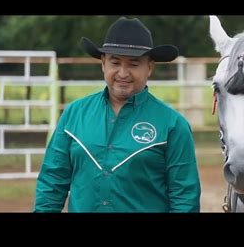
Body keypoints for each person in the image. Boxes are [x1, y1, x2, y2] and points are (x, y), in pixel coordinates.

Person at [33, 17, 201, 212]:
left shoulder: (173, 125)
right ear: (103, 63)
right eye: (115, 62)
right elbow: (52, 182)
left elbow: (185, 197)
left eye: (133, 63)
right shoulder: (74, 114)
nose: (123, 73)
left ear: (149, 67)